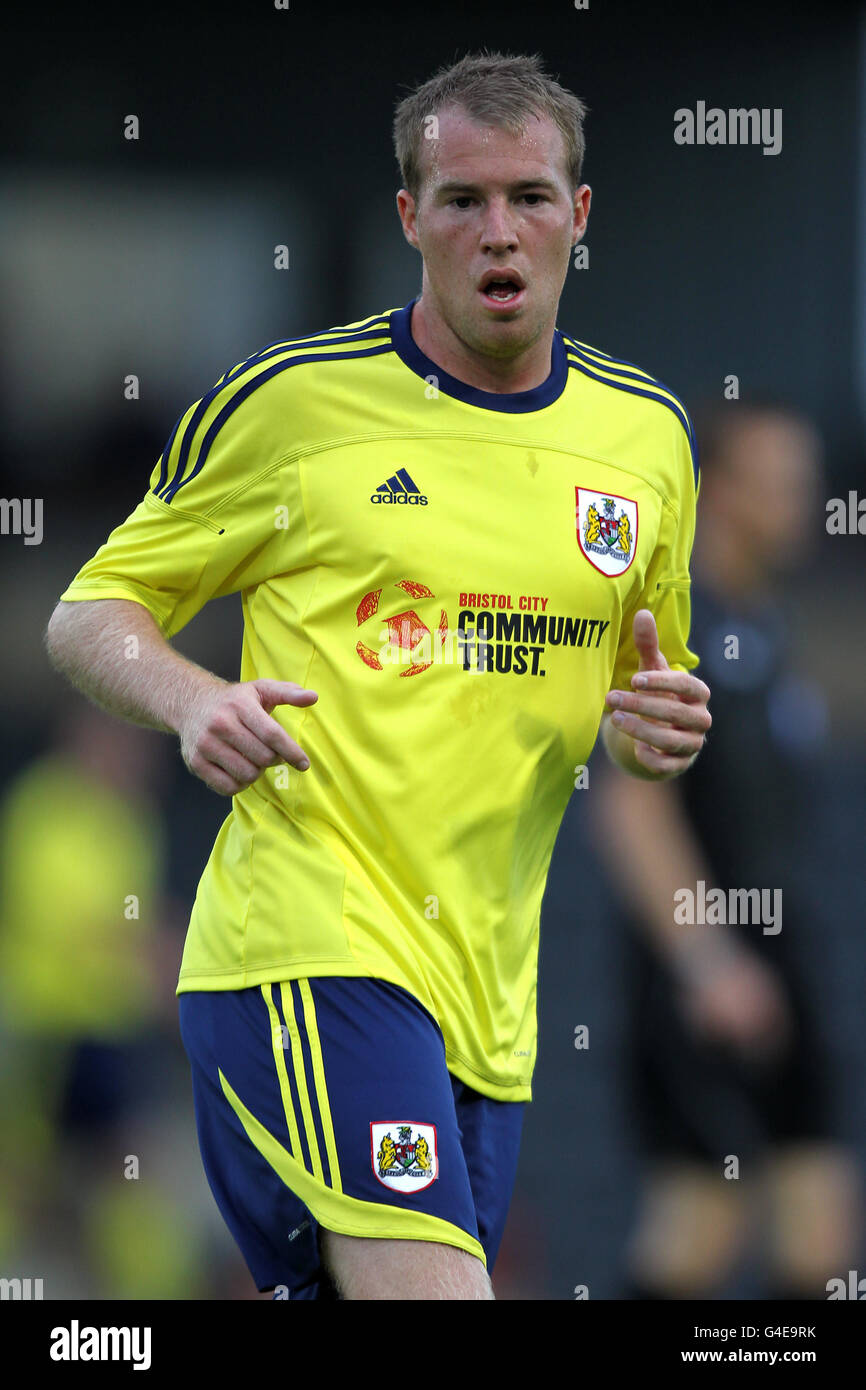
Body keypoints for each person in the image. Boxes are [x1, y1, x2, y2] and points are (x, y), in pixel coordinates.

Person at [44, 50, 710, 1300]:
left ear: (581, 215)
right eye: (461, 200)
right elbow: (88, 612)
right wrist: (194, 699)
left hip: (486, 1001)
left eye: (529, 197)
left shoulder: (647, 440)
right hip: (310, 950)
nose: (497, 232)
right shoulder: (292, 405)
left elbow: (636, 702)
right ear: (410, 217)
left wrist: (649, 734)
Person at [591, 401, 862, 1300]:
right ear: (720, 492)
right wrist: (708, 958)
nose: (808, 500)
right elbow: (630, 809)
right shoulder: (679, 623)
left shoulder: (769, 625)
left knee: (818, 1229)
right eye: (781, 481)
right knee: (697, 1229)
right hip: (709, 976)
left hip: (791, 964)